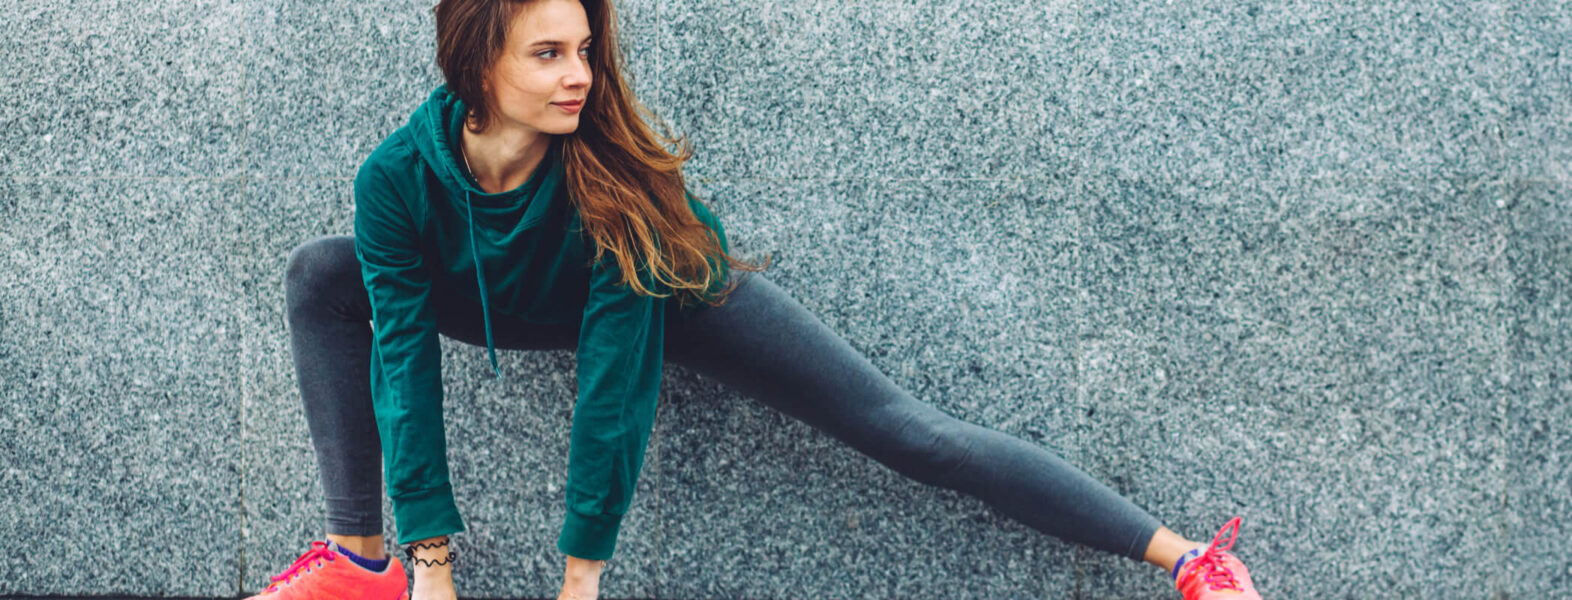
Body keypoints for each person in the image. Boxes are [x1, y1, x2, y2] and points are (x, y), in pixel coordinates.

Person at [252, 0, 1265, 598]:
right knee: (323, 274)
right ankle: (360, 561)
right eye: (550, 55)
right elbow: (404, 366)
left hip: (669, 298)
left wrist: (581, 581)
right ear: (479, 60)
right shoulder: (398, 177)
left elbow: (615, 386)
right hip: (497, 293)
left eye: (586, 52)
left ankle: (1191, 565)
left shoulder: (608, 180)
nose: (580, 77)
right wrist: (431, 563)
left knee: (911, 431)